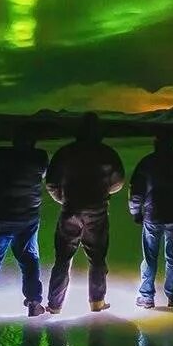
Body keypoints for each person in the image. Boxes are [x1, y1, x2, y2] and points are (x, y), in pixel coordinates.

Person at [44, 112, 126, 313]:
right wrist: (102, 192)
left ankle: (55, 305)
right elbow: (118, 182)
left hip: (70, 210)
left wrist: (64, 200)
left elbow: (52, 182)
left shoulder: (65, 152)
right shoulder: (107, 153)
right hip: (97, 212)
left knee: (63, 258)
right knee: (97, 258)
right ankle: (97, 302)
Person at [0, 124, 48, 318]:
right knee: (30, 260)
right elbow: (45, 171)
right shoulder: (39, 157)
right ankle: (33, 302)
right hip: (27, 218)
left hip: (1, 216)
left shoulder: (2, 155)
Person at [128, 130, 173, 308]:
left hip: (153, 215)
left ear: (156, 142)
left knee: (150, 256)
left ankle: (147, 296)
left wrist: (136, 212)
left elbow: (136, 191)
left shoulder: (147, 163)